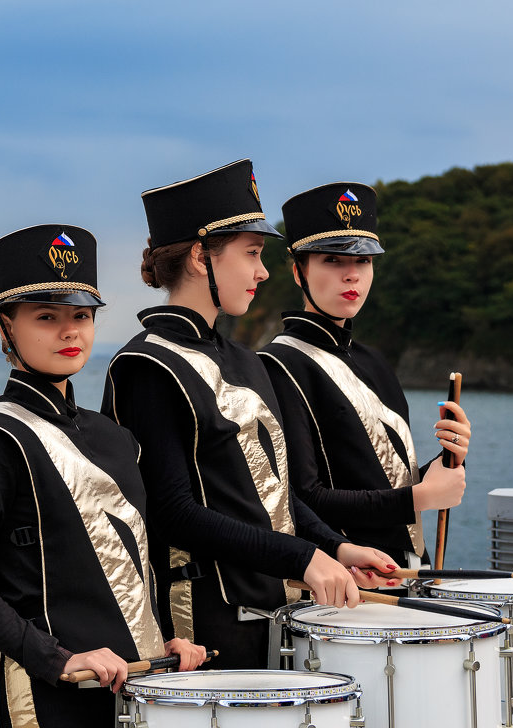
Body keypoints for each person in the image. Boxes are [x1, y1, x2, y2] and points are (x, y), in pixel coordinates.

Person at [101, 161, 399, 670]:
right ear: (201, 256)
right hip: (201, 628)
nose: (263, 271)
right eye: (253, 254)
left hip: (276, 610)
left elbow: (272, 495)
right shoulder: (146, 365)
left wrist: (336, 548)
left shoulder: (242, 358)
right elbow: (172, 512)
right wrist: (303, 559)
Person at [0, 225, 207, 728]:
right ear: (4, 325)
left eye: (81, 315)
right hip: (50, 701)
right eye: (46, 317)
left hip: (140, 689)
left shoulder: (114, 436)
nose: (69, 332)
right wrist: (55, 658)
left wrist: (166, 636)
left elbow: (132, 563)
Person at [258, 182, 471, 571]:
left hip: (411, 574)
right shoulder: (278, 364)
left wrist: (448, 460)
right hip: (345, 584)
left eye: (364, 261)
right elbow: (302, 499)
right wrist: (420, 498)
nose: (351, 275)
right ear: (297, 271)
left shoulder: (374, 360)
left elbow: (387, 480)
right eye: (332, 261)